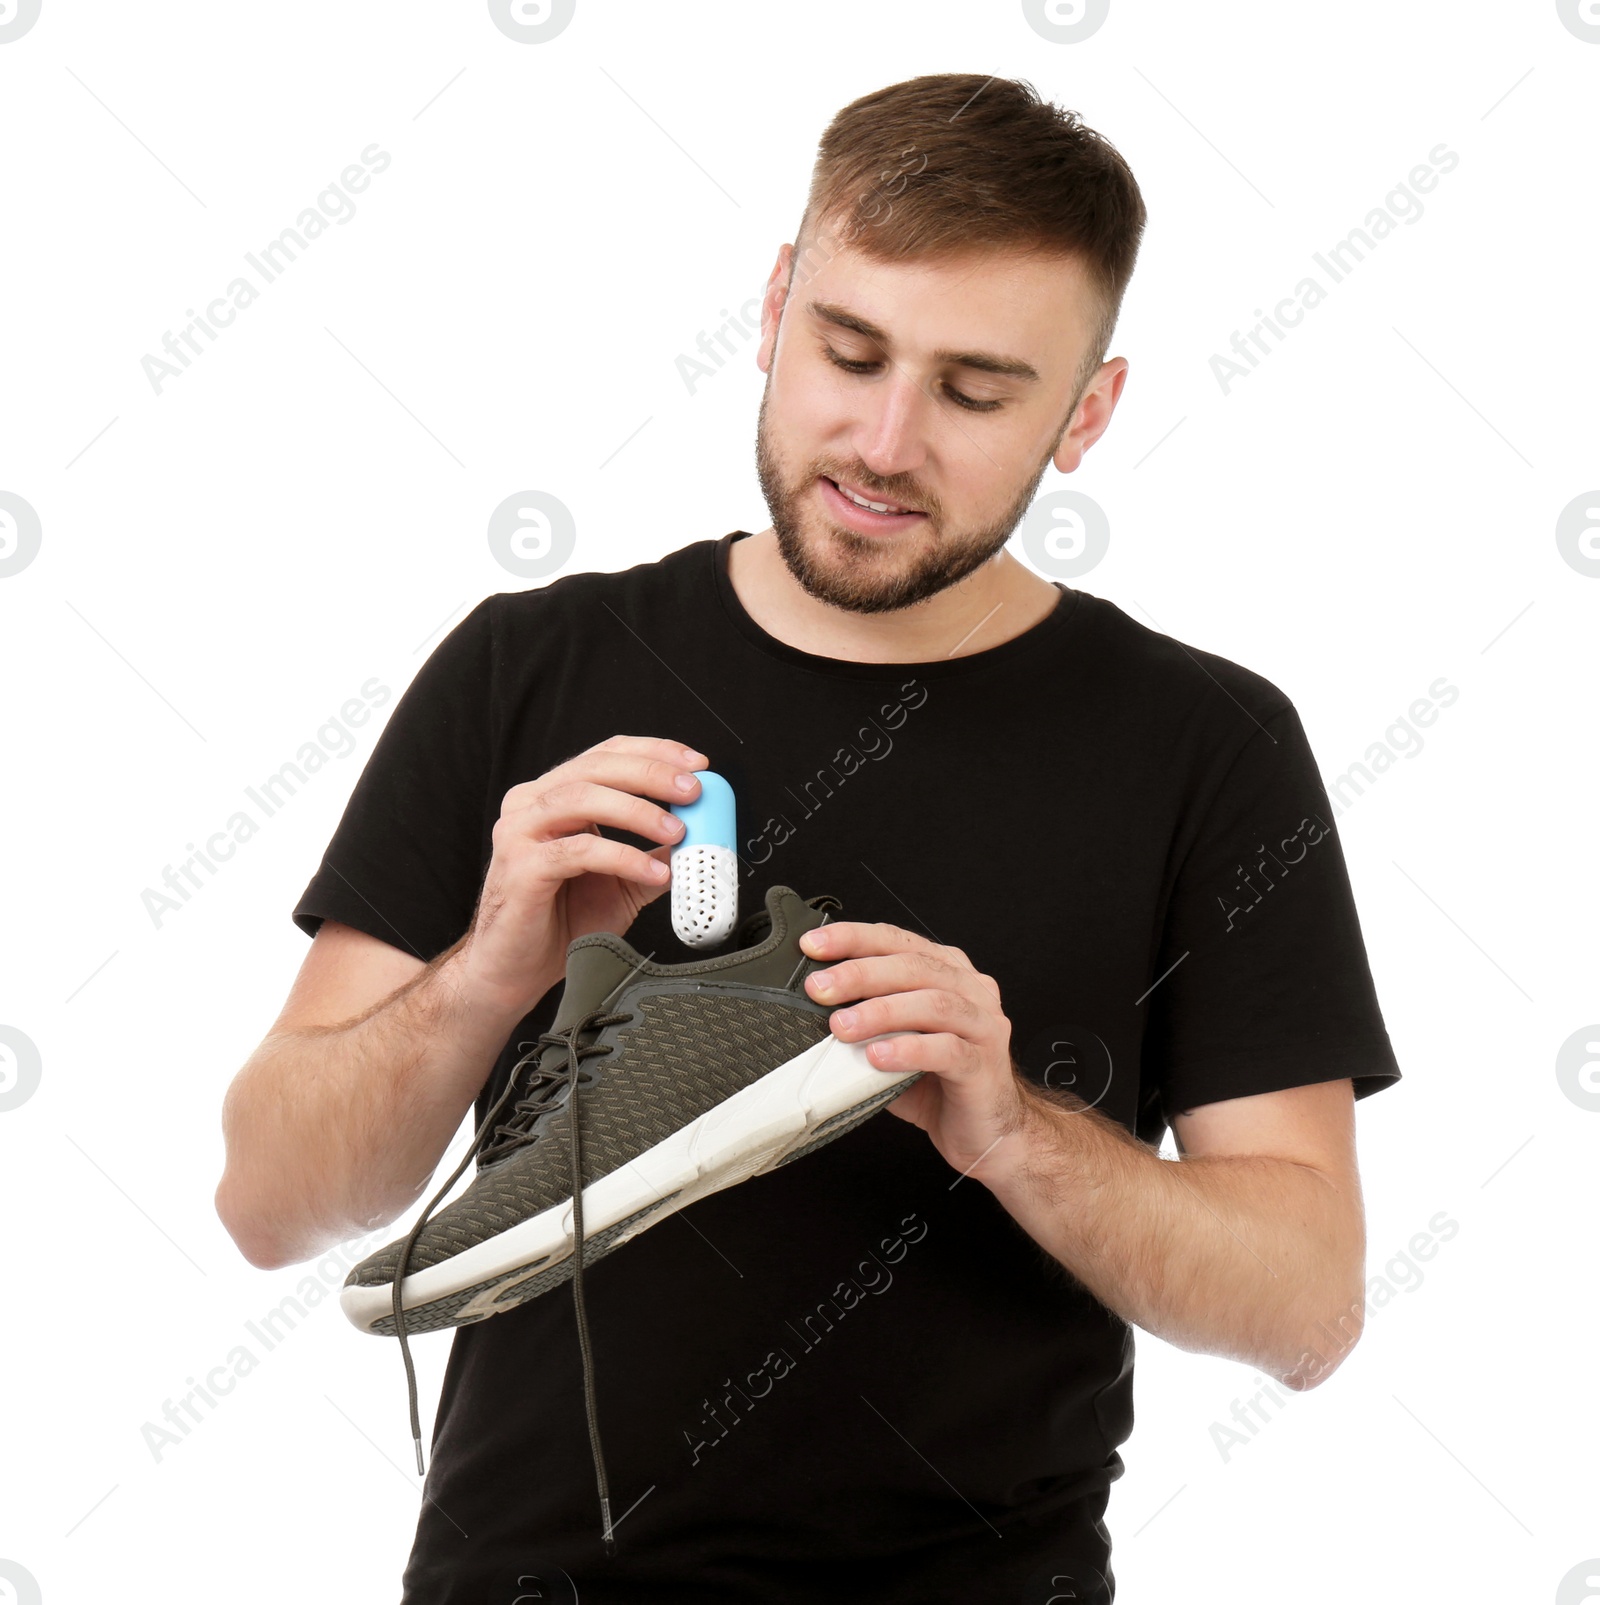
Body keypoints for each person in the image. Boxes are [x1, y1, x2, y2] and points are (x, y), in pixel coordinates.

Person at [214, 72, 1401, 1604]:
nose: (885, 441)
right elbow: (269, 1203)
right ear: (776, 304)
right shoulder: (530, 667)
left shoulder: (1207, 747)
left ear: (1087, 412)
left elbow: (1308, 1307)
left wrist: (1008, 1124)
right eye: (849, 352)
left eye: (976, 392)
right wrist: (492, 969)